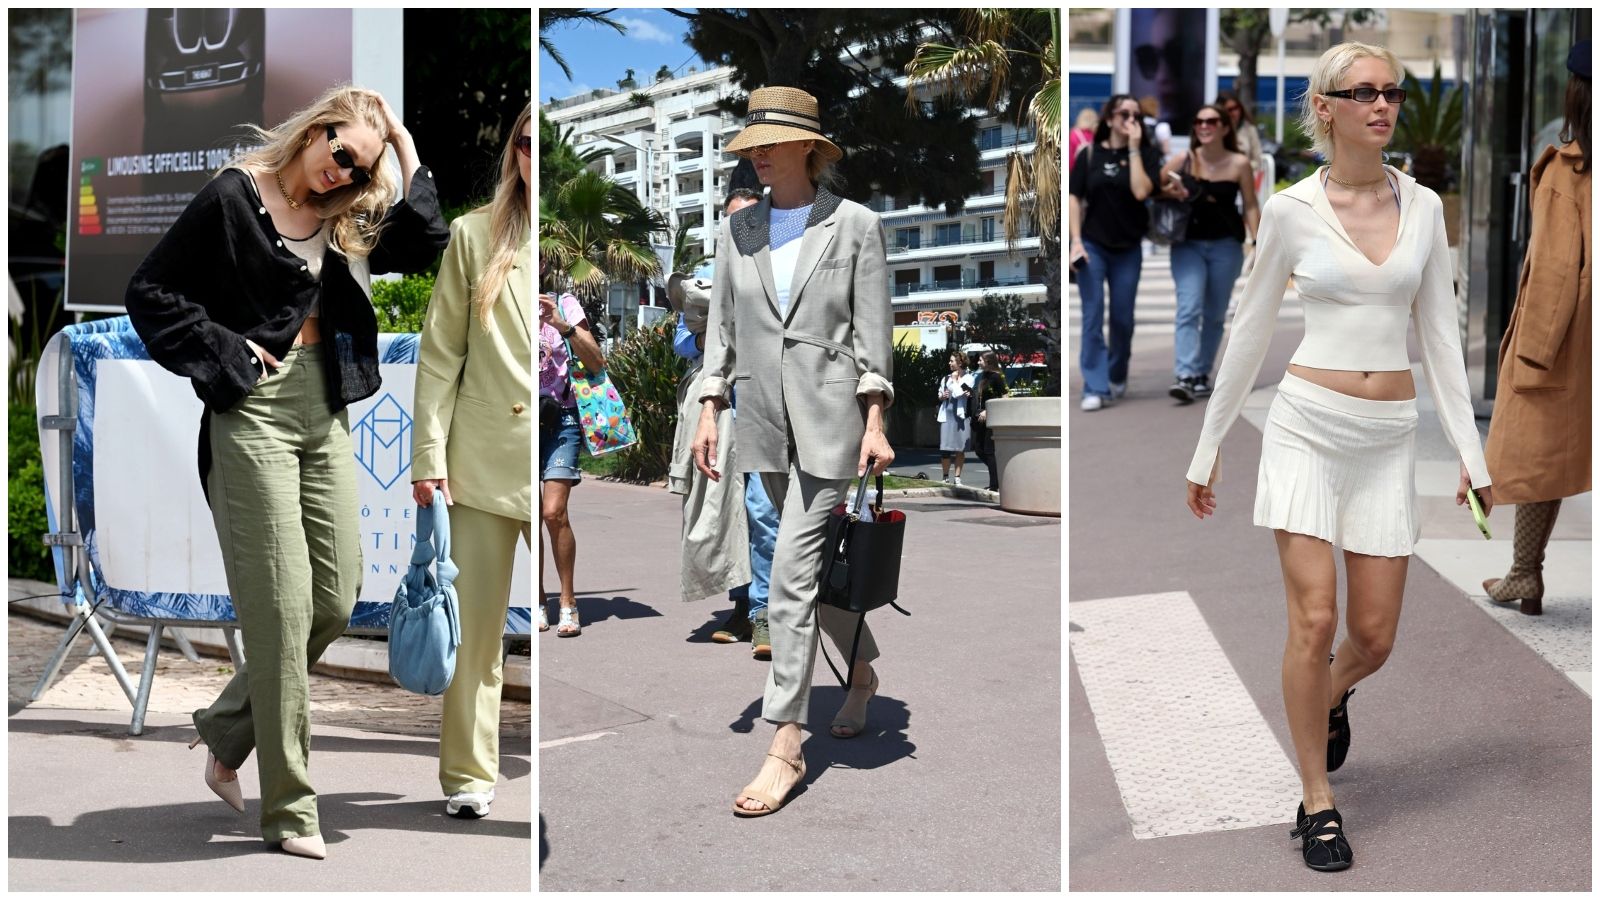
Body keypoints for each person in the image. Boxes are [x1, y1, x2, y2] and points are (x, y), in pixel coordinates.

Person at [1183, 43, 1494, 872]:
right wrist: (1209, 446)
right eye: (1363, 92)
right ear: (1324, 108)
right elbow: (1247, 331)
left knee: (1373, 636)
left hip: (1388, 439)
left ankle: (1334, 693)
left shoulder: (1425, 208)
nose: (1382, 104)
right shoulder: (1289, 211)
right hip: (1308, 429)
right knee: (1314, 620)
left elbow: (1438, 337)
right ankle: (1318, 801)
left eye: (1390, 91)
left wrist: (1472, 452)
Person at [125, 85, 448, 859]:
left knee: (333, 597)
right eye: (342, 155)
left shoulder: (347, 221)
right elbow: (151, 292)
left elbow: (428, 237)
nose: (345, 175)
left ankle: (225, 732)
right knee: (277, 613)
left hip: (325, 410)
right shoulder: (234, 196)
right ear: (316, 132)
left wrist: (402, 149)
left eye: (360, 170)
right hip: (255, 414)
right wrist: (228, 352)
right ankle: (291, 809)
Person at [691, 85, 895, 817]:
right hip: (763, 423)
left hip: (834, 418)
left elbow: (873, 334)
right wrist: (711, 407)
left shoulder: (855, 226)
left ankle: (785, 743)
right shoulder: (737, 234)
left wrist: (876, 418)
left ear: (809, 147)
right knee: (812, 572)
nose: (760, 154)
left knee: (790, 575)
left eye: (773, 141)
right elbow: (722, 330)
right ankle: (861, 674)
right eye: (753, 144)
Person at [410, 103, 532, 820]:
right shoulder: (472, 235)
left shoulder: (581, 242)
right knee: (478, 633)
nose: (531, 156)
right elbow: (439, 355)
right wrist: (428, 455)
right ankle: (466, 776)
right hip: (483, 461)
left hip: (558, 460)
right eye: (523, 142)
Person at [1480, 43, 1591, 616]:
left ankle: (1525, 572)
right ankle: (1522, 573)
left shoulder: (1569, 171)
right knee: (1548, 451)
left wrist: (1531, 359)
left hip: (1574, 343)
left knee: (1539, 445)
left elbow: (1551, 274)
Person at [669, 162, 781, 660]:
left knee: (760, 509)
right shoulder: (710, 271)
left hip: (765, 404)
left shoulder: (777, 263)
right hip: (721, 407)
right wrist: (708, 331)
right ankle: (743, 606)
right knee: (725, 512)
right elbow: (682, 343)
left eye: (749, 218)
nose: (741, 229)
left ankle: (767, 613)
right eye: (733, 220)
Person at [1158, 102, 1260, 403]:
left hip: (1226, 245)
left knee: (1215, 314)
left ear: (1225, 127)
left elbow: (1251, 204)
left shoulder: (1239, 163)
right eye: (1199, 121)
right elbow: (1152, 188)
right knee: (1188, 307)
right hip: (1188, 243)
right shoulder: (1183, 159)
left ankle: (1202, 373)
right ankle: (1185, 374)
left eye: (1212, 121)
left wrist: (1259, 241)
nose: (1204, 126)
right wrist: (1170, 191)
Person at [1068, 94, 1164, 411]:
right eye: (1124, 113)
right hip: (1093, 245)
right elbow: (1074, 197)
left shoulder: (1147, 154)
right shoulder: (1089, 154)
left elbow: (1140, 191)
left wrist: (1134, 147)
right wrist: (1076, 241)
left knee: (1122, 318)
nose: (1131, 119)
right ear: (1109, 118)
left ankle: (1117, 372)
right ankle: (1094, 387)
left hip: (1128, 248)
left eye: (1136, 114)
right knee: (1093, 317)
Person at [538, 279, 604, 637]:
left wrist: (561, 325)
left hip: (561, 419)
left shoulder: (565, 303)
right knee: (529, 517)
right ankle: (537, 599)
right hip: (518, 419)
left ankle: (568, 601)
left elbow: (596, 361)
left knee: (553, 512)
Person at [968, 351, 1009, 491]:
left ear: (988, 361)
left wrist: (989, 410)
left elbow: (1005, 397)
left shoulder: (997, 377)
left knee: (989, 450)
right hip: (981, 419)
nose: (978, 362)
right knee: (979, 449)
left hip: (992, 418)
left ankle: (994, 485)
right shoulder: (983, 376)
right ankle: (997, 473)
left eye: (980, 360)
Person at [936, 350, 974, 484]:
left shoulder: (968, 378)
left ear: (960, 362)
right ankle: (945, 476)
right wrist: (942, 396)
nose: (949, 363)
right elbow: (940, 394)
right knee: (945, 448)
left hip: (961, 417)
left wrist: (954, 380)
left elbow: (959, 393)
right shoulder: (945, 378)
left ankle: (957, 477)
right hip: (947, 415)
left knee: (960, 448)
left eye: (952, 361)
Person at [1217, 89, 1265, 175]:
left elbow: (1257, 159)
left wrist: (1244, 166)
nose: (1234, 113)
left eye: (1236, 108)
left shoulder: (1249, 129)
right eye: (1229, 110)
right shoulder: (1215, 129)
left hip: (1245, 176)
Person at [1068, 108, 1099, 173]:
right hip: (1093, 171)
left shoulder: (1074, 133)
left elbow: (1070, 156)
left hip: (1077, 170)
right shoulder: (1096, 134)